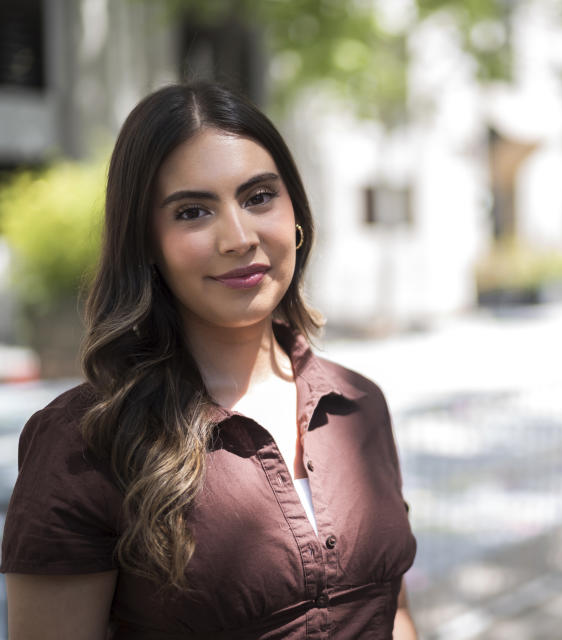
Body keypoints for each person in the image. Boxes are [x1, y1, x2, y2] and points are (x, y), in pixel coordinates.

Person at [1, 82, 418, 639]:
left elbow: (394, 612)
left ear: (296, 210)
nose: (239, 237)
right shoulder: (84, 442)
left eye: (259, 197)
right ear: (146, 243)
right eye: (193, 211)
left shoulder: (358, 404)